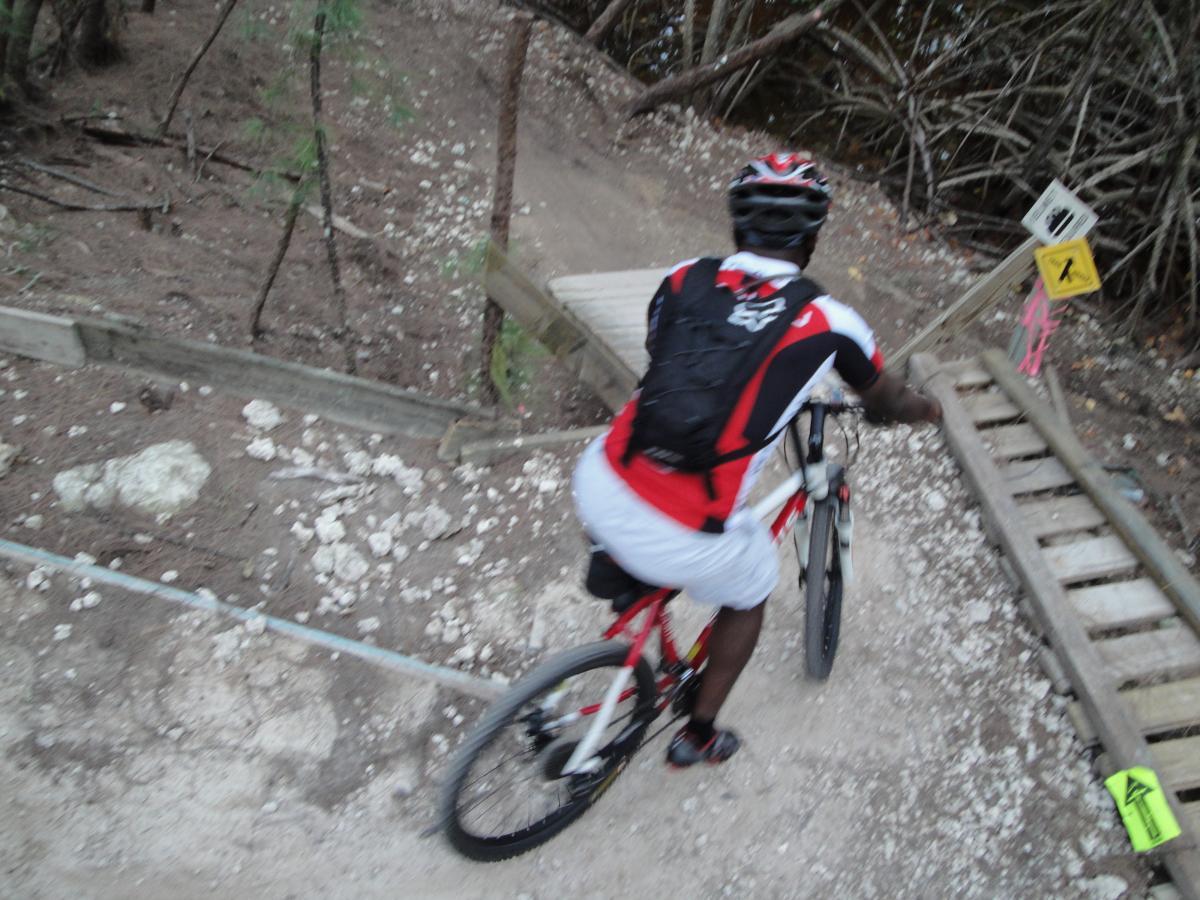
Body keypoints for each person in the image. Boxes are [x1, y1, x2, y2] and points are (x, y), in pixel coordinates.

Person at [571, 152, 942, 767]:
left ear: (737, 226)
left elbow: (667, 353)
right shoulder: (830, 321)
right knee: (749, 593)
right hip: (682, 527)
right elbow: (886, 397)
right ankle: (699, 732)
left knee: (641, 497)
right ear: (814, 236)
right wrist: (924, 410)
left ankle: (620, 562)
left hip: (601, 478)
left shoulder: (684, 277)